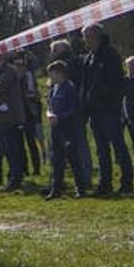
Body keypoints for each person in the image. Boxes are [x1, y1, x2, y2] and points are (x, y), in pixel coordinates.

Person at [80, 23, 134, 195]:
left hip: (109, 108)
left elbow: (116, 82)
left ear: (95, 36)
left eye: (87, 36)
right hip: (94, 110)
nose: (84, 40)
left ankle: (127, 182)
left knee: (118, 145)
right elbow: (86, 83)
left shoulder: (109, 55)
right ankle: (105, 183)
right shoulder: (89, 57)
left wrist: (108, 100)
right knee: (101, 149)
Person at [45, 61, 89, 199]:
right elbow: (49, 106)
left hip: (68, 128)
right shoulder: (53, 88)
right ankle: (56, 189)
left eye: (52, 73)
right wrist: (49, 115)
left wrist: (61, 118)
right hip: (55, 128)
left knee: (73, 158)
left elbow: (74, 108)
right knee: (56, 159)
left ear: (59, 73)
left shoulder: (69, 87)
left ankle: (80, 188)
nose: (50, 76)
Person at [0, 52, 27, 192]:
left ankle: (15, 179)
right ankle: (14, 176)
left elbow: (0, 87)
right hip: (2, 117)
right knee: (7, 149)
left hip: (10, 117)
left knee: (13, 149)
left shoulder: (8, 71)